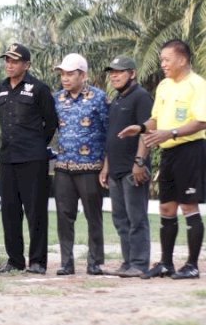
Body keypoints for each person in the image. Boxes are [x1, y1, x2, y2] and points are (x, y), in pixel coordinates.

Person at [119, 39, 206, 280]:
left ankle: (191, 265)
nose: (163, 64)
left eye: (167, 60)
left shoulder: (198, 85)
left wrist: (172, 132)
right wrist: (139, 127)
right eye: (161, 60)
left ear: (183, 59)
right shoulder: (165, 86)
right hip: (167, 152)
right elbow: (155, 119)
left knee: (189, 205)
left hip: (190, 149)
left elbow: (201, 121)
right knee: (166, 207)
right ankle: (166, 263)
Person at [0, 43, 58, 275]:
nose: (10, 64)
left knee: (35, 211)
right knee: (9, 212)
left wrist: (37, 145)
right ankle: (15, 260)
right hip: (8, 158)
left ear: (26, 65)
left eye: (15, 61)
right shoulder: (0, 88)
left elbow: (51, 123)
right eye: (7, 60)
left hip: (33, 159)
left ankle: (38, 261)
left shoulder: (38, 88)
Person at [52, 53, 109, 276]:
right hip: (64, 166)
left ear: (83, 75)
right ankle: (67, 262)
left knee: (93, 216)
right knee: (64, 217)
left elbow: (109, 132)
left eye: (70, 74)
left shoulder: (99, 98)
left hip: (91, 167)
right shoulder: (57, 99)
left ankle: (95, 262)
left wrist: (107, 164)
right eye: (62, 74)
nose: (65, 78)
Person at [98, 56, 152, 278]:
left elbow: (147, 132)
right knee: (120, 219)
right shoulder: (117, 99)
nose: (114, 75)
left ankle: (139, 264)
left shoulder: (141, 97)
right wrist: (105, 167)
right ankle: (128, 261)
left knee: (136, 218)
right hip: (116, 170)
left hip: (133, 169)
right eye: (112, 72)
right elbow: (112, 137)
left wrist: (140, 162)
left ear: (133, 73)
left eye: (119, 71)